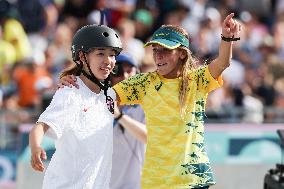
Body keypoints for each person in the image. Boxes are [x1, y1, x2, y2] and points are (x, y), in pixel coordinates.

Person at [60, 13, 241, 189]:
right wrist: (73, 81)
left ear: (182, 54)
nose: (158, 56)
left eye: (165, 50)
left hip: (192, 178)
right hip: (155, 181)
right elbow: (102, 97)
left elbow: (223, 63)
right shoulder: (145, 83)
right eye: (155, 50)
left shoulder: (197, 80)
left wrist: (226, 39)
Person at [29, 24, 122, 189]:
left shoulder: (110, 94)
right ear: (82, 56)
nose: (108, 60)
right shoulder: (70, 92)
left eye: (112, 54)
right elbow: (40, 126)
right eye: (100, 53)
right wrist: (36, 147)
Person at [111, 53, 146, 189]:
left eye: (129, 70)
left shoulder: (145, 105)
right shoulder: (98, 103)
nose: (124, 76)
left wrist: (119, 116)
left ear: (137, 73)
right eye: (118, 71)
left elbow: (149, 136)